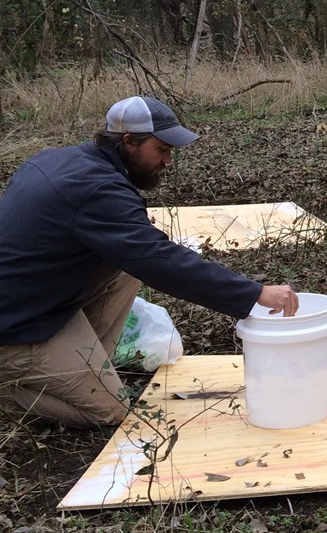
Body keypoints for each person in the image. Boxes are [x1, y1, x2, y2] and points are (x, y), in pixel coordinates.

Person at [0, 96, 299, 427]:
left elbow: (143, 253)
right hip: (16, 328)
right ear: (129, 142)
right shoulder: (97, 190)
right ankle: (14, 390)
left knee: (125, 267)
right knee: (112, 410)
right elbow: (160, 259)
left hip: (35, 302)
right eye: (162, 149)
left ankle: (76, 368)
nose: (169, 159)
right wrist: (254, 293)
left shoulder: (60, 161)